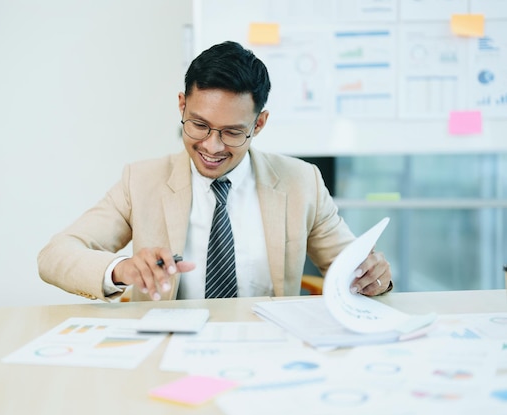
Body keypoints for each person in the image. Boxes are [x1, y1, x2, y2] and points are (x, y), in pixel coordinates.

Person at [38, 40, 392, 302]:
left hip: (269, 349)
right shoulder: (141, 181)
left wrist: (375, 278)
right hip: (171, 349)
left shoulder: (302, 183)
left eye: (233, 132)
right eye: (199, 125)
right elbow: (54, 256)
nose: (212, 146)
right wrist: (121, 268)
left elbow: (353, 269)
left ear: (260, 123)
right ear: (182, 105)